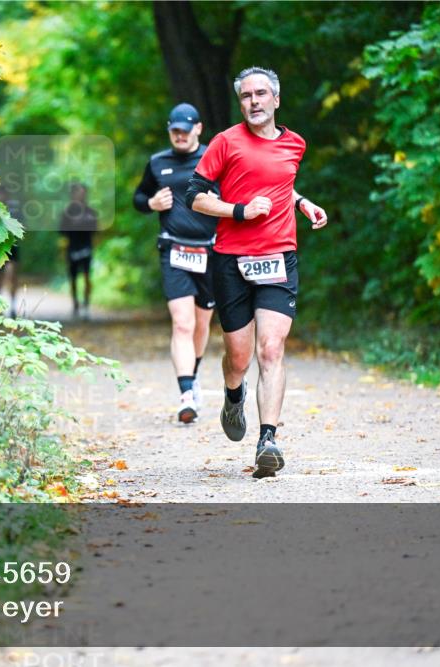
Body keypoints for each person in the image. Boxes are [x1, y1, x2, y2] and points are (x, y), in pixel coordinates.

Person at [186, 66, 328, 478]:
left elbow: (281, 183)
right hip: (231, 259)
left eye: (261, 94)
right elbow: (195, 196)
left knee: (271, 349)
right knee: (239, 356)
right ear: (241, 102)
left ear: (276, 99)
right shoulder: (225, 142)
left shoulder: (295, 144)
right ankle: (233, 395)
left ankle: (268, 439)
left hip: (279, 256)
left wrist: (302, 203)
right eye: (247, 95)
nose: (254, 101)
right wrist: (238, 210)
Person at [133, 103, 220, 424]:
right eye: (175, 131)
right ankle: (186, 395)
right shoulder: (157, 163)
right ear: (170, 131)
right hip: (174, 249)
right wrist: (152, 203)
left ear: (198, 128)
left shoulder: (214, 158)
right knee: (182, 323)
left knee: (201, 323)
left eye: (186, 130)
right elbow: (139, 198)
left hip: (210, 252)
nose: (180, 136)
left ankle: (192, 374)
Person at [59, 182, 98, 319]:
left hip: (86, 247)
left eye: (83, 192)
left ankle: (86, 304)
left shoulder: (91, 211)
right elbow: (61, 231)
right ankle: (75, 304)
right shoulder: (67, 212)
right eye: (78, 192)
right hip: (72, 248)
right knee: (73, 278)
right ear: (73, 194)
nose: (81, 195)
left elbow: (95, 230)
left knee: (88, 276)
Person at [0, 185, 22, 317]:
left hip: (12, 248)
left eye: (4, 195)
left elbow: (21, 228)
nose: (2, 198)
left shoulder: (14, 212)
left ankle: (13, 306)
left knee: (12, 276)